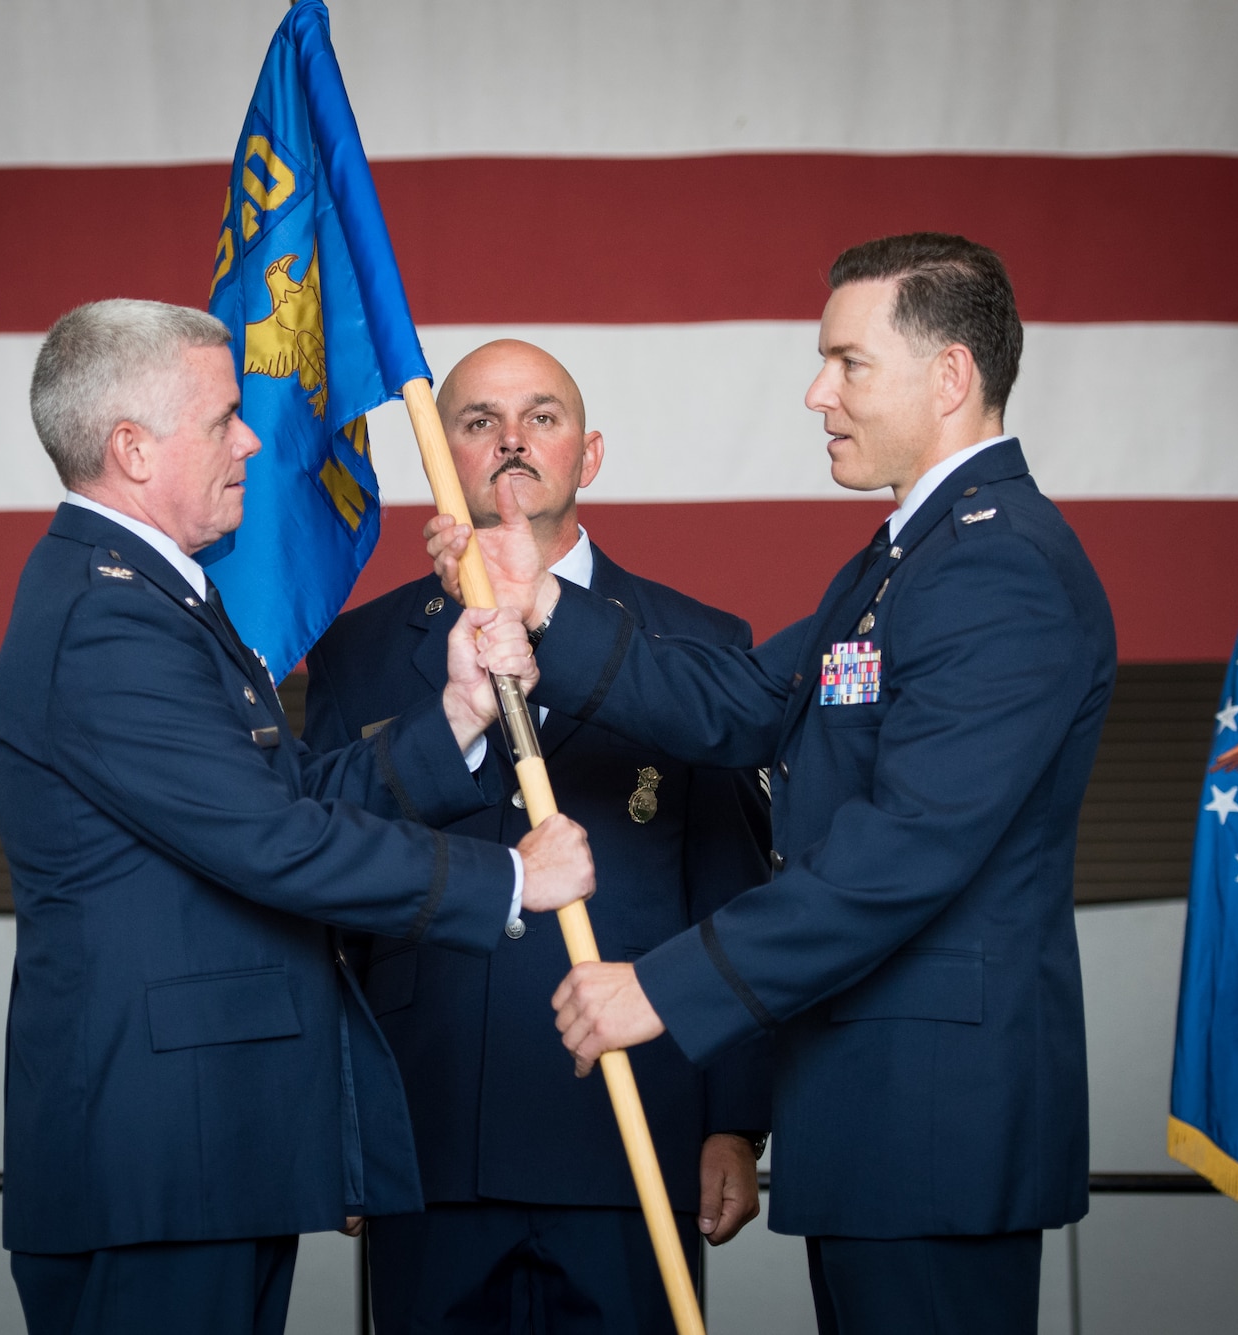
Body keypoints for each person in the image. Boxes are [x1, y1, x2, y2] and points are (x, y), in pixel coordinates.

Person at [428, 235, 1117, 1334]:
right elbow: (746, 703)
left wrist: (662, 988)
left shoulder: (997, 567)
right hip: (873, 1108)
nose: (815, 393)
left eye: (847, 363)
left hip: (933, 1114)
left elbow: (904, 852)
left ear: (948, 377)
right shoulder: (907, 558)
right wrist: (544, 605)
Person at [0, 299, 596, 1335]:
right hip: (158, 1160)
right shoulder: (106, 621)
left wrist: (451, 714)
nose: (254, 438)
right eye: (224, 417)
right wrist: (506, 881)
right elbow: (268, 844)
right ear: (131, 450)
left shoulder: (150, 597)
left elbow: (283, 796)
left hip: (205, 1150)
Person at [305, 340, 771, 1334]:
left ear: (588, 455)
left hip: (629, 1118)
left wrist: (733, 1118)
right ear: (445, 457)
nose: (509, 441)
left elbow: (730, 888)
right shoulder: (357, 650)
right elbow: (326, 890)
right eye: (476, 421)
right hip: (427, 1129)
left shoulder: (696, 646)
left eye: (541, 417)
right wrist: (341, 1121)